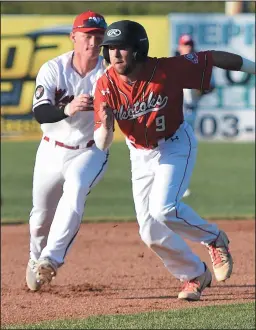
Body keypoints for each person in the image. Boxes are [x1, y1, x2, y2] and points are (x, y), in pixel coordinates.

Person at [93, 20, 255, 301]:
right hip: (139, 154)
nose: (115, 54)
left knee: (164, 209)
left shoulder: (167, 69)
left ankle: (214, 238)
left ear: (139, 49)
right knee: (150, 233)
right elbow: (102, 143)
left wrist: (254, 67)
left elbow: (213, 57)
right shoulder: (105, 85)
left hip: (175, 144)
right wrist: (106, 128)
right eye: (110, 49)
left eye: (122, 48)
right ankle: (194, 274)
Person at [26, 11, 109, 291]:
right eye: (87, 36)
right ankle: (35, 258)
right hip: (50, 150)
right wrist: (67, 109)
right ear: (73, 37)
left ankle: (51, 258)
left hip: (89, 150)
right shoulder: (54, 68)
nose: (93, 42)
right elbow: (40, 111)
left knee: (75, 190)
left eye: (99, 37)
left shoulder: (109, 72)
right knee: (39, 219)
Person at [177, 34, 216, 198]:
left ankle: (180, 185)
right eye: (185, 45)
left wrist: (202, 88)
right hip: (176, 109)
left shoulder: (200, 65)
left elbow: (211, 86)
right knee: (175, 148)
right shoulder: (173, 64)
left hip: (192, 110)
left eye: (190, 44)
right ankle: (175, 185)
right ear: (180, 47)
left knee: (186, 148)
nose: (188, 47)